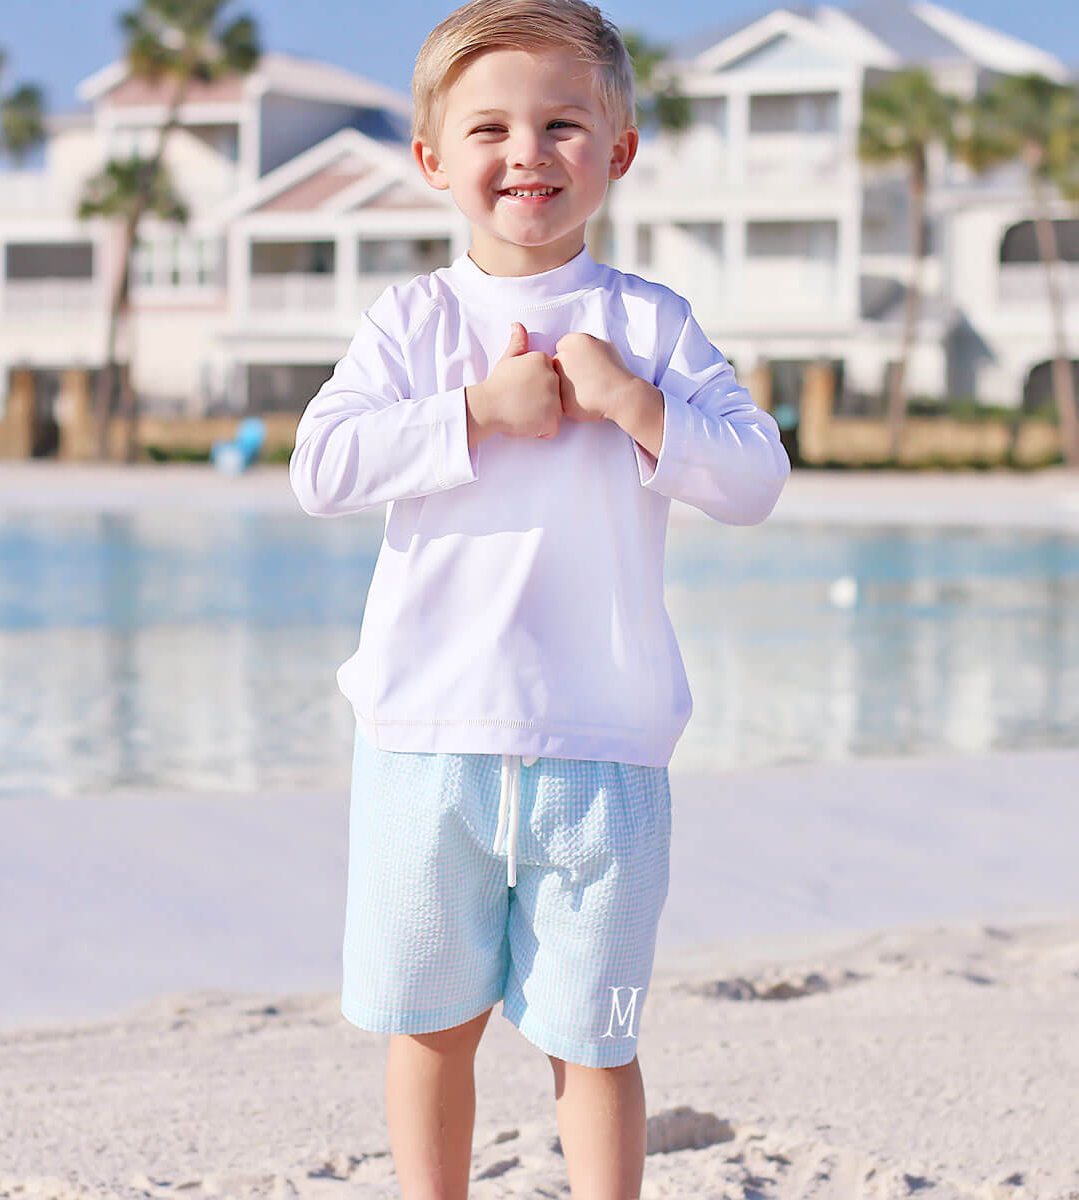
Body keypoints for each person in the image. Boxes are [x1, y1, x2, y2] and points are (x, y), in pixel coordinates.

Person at [288, 0, 791, 1194]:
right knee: (430, 1026)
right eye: (492, 129)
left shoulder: (648, 324)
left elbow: (757, 477)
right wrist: (473, 414)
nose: (528, 153)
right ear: (432, 160)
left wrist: (635, 404)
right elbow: (322, 467)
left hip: (604, 754)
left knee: (596, 1034)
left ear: (617, 150)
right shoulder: (411, 322)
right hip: (430, 743)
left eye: (564, 124)